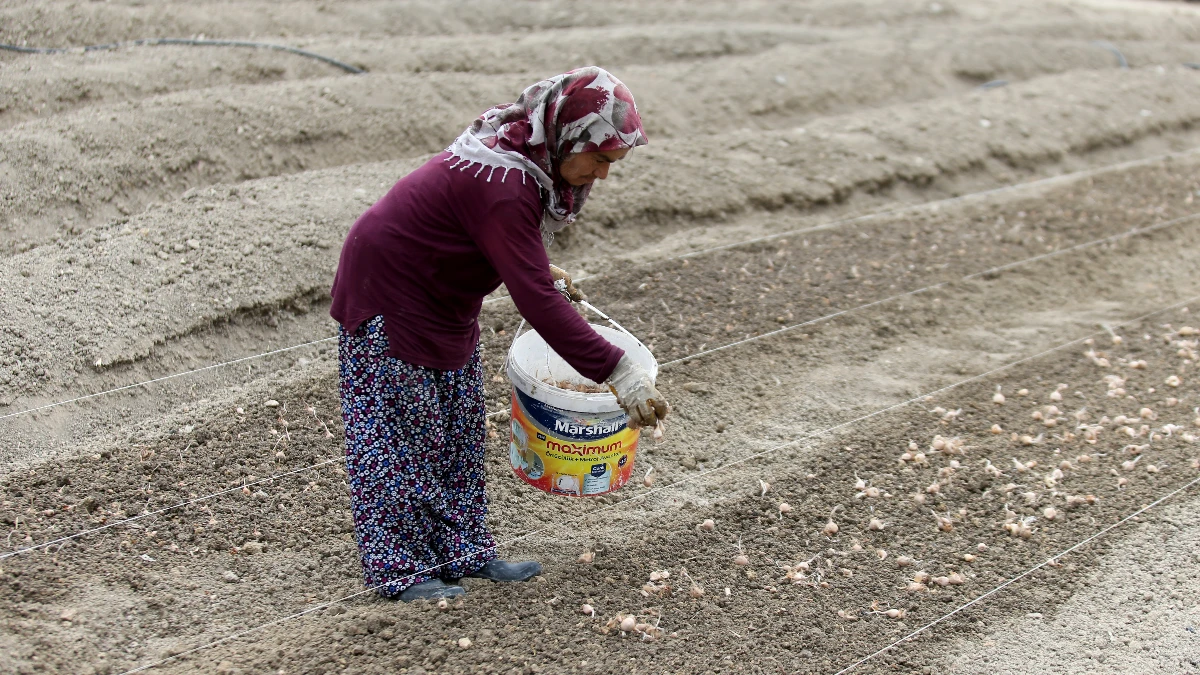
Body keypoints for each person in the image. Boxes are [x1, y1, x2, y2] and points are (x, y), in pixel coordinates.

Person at [329, 67, 670, 602]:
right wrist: (620, 374)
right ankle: (400, 572)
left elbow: (481, 237)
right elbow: (535, 301)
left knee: (457, 430)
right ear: (567, 136)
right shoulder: (506, 184)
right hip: (390, 295)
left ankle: (463, 552)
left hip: (443, 296)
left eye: (613, 163)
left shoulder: (523, 163)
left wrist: (533, 267)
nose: (603, 175)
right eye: (599, 158)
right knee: (399, 440)